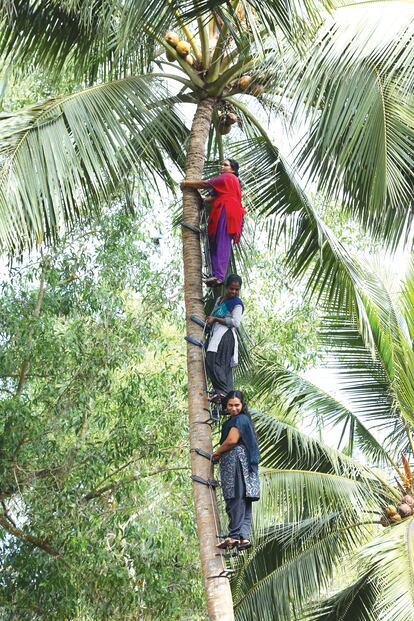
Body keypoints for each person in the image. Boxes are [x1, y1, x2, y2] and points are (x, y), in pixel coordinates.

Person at [180, 159, 245, 287]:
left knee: (222, 241)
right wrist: (202, 200)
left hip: (228, 211)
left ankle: (219, 276)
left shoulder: (228, 177)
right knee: (214, 242)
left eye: (225, 165)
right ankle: (215, 275)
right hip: (225, 210)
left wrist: (186, 183)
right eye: (222, 164)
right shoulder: (229, 182)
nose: (222, 166)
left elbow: (205, 183)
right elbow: (213, 197)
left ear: (233, 170)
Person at [212, 390, 260, 550]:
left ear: (242, 405)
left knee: (236, 497)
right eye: (230, 405)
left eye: (237, 405)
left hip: (237, 462)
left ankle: (233, 536)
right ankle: (243, 537)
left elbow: (232, 441)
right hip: (247, 466)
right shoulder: (244, 420)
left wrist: (217, 452)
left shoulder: (240, 419)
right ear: (225, 406)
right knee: (245, 500)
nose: (233, 409)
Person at [205, 274, 243, 401]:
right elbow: (213, 314)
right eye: (231, 288)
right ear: (226, 287)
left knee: (215, 359)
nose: (233, 292)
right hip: (216, 334)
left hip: (225, 336)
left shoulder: (237, 303)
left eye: (236, 289)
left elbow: (236, 322)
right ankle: (223, 395)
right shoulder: (220, 299)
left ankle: (224, 393)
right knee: (213, 361)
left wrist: (215, 319)